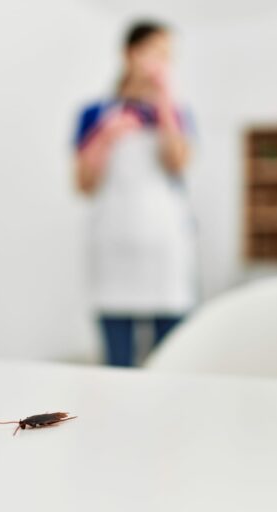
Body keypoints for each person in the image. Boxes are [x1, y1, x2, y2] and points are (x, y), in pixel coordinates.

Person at [72, 20, 197, 367]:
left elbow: (178, 162)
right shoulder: (94, 114)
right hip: (114, 247)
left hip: (164, 247)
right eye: (155, 52)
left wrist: (166, 101)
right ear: (130, 54)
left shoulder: (177, 114)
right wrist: (105, 137)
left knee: (171, 358)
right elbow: (83, 184)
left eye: (168, 56)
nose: (161, 62)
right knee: (117, 362)